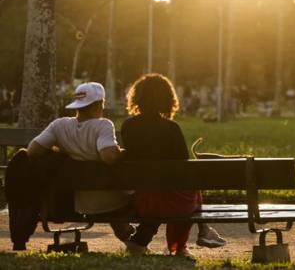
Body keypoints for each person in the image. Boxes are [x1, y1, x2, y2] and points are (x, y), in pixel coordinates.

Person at [121, 73, 226, 257]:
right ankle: (180, 245)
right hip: (174, 204)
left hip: (143, 201)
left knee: (164, 191)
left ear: (137, 97)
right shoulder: (171, 128)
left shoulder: (128, 126)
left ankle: (140, 241)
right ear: (167, 98)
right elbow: (185, 171)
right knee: (188, 188)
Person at [26, 82, 134, 242]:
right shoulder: (102, 125)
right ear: (99, 105)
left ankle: (127, 235)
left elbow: (33, 150)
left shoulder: (59, 125)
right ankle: (129, 236)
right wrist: (124, 154)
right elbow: (109, 156)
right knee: (131, 192)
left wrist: (62, 150)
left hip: (80, 202)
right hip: (109, 199)